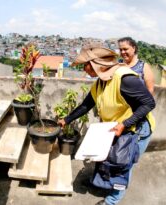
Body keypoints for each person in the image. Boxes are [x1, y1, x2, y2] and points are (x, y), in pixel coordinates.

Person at [58, 47, 156, 205]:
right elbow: (86, 105)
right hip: (116, 128)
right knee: (107, 158)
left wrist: (124, 124)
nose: (84, 69)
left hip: (136, 129)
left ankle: (112, 200)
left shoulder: (125, 79)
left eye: (85, 65)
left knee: (123, 164)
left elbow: (149, 103)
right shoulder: (100, 82)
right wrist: (67, 119)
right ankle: (103, 184)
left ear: (96, 63)